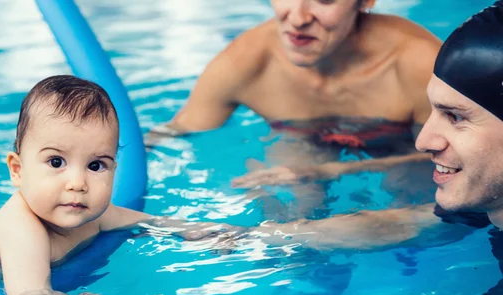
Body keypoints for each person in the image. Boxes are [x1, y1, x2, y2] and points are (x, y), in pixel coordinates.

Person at [46, 2, 503, 295]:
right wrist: (240, 237)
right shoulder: (485, 199)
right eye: (433, 111)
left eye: (456, 117)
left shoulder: (411, 59)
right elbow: (413, 221)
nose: (424, 138)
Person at [0, 75, 237, 295]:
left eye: (95, 165)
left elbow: (145, 221)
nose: (77, 183)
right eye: (56, 162)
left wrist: (190, 230)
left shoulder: (88, 211)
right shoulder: (23, 229)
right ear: (17, 170)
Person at [147, 0, 441, 196]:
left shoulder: (417, 64)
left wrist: (330, 170)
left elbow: (458, 157)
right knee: (288, 205)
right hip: (303, 139)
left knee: (409, 192)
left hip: (405, 148)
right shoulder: (248, 61)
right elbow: (178, 131)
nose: (298, 18)